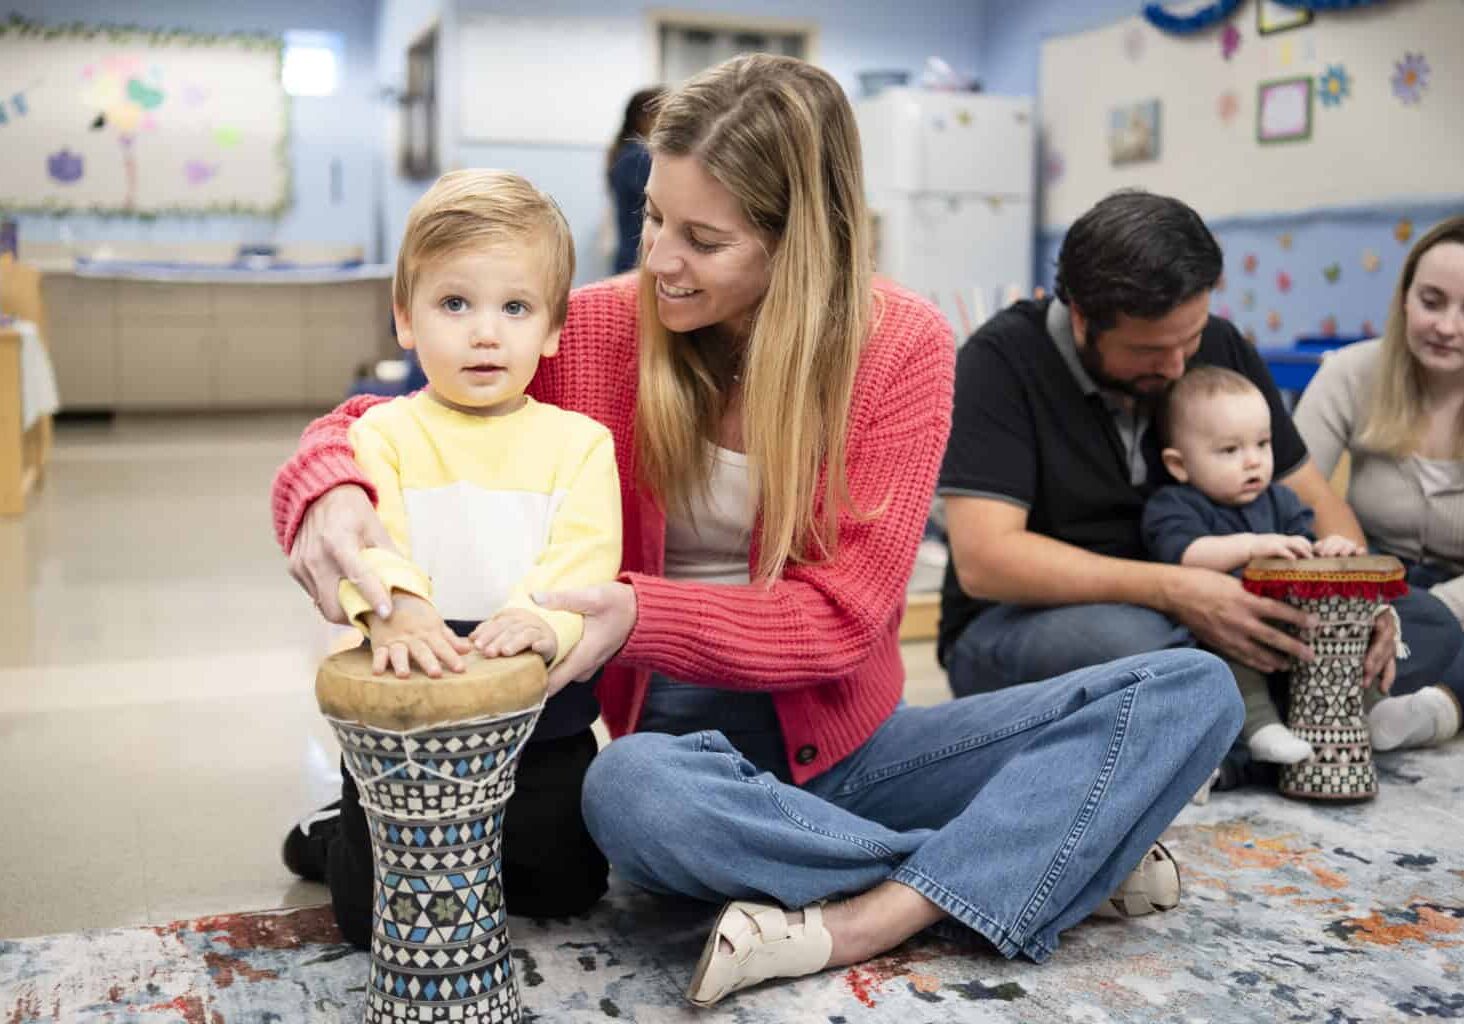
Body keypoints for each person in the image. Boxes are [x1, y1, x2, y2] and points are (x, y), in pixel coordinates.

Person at [273, 56, 1240, 1007]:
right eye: (655, 217)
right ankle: (1029, 859)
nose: (658, 259)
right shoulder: (605, 328)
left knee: (1193, 689)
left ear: (797, 243)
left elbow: (848, 620)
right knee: (627, 796)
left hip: (853, 751)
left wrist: (634, 613)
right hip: (682, 760)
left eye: (702, 237)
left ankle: (868, 916)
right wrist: (328, 489)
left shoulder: (898, 345)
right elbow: (385, 421)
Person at [936, 189, 1462, 706]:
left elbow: (1320, 503)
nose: (1176, 367)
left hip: (1208, 604)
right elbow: (988, 560)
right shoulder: (999, 363)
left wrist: (1361, 599)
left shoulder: (1221, 345)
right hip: (1033, 622)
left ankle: (1248, 711)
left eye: (1189, 339)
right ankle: (1258, 704)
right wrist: (1179, 592)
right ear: (1080, 318)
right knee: (1148, 650)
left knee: (1426, 620)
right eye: (1149, 350)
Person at [281, 168, 622, 946]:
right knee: (372, 922)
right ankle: (345, 830)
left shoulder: (579, 443)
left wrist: (537, 621)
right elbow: (376, 540)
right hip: (410, 710)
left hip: (541, 716)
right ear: (406, 319)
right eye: (454, 304)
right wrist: (398, 608)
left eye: (515, 308)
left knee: (563, 888)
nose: (485, 333)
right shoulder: (382, 435)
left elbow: (586, 555)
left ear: (554, 327)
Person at [1141, 366, 1373, 766]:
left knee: (1348, 640)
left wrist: (1330, 550)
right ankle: (1261, 729)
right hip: (1224, 630)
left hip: (1291, 621)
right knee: (1226, 662)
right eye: (1230, 450)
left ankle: (1373, 709)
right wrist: (1251, 547)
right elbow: (1187, 554)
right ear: (1179, 465)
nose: (1253, 462)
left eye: (1262, 444)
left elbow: (1307, 550)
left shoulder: (1281, 501)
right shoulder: (1175, 505)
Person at [1293, 214, 1464, 751]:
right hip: (1371, 582)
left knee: (1435, 625)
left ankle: (1439, 708)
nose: (1448, 326)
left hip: (1455, 599)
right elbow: (1292, 489)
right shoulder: (1349, 372)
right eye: (1432, 302)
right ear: (1404, 300)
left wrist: (1441, 610)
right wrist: (1372, 596)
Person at [607, 87, 665, 274]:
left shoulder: (626, 154)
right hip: (635, 261)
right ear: (644, 118)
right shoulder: (637, 158)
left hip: (633, 257)